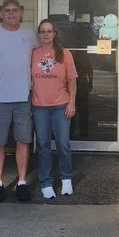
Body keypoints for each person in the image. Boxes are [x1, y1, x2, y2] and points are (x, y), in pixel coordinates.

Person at [0, 0, 38, 203]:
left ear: (21, 13)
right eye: (7, 11)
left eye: (15, 10)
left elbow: (41, 60)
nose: (11, 13)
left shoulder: (30, 35)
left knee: (23, 141)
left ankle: (21, 182)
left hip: (23, 98)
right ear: (2, 14)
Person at [31, 18, 78, 199]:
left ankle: (66, 179)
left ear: (55, 34)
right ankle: (46, 182)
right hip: (39, 106)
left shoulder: (65, 54)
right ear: (39, 34)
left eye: (49, 31)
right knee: (43, 145)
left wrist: (71, 102)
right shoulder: (33, 54)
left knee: (62, 144)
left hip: (61, 105)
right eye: (43, 31)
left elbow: (72, 81)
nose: (46, 34)